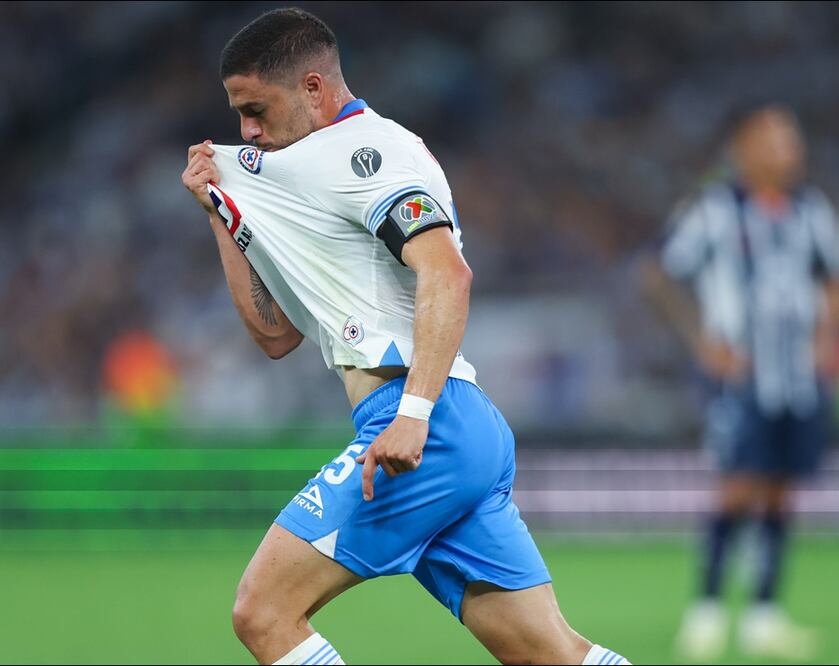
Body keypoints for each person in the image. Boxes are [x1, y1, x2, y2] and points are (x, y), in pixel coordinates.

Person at [179, 8, 632, 666]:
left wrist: (414, 415)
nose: (246, 130)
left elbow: (446, 272)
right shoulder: (310, 176)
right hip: (449, 425)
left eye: (256, 108)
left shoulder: (371, 153)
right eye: (236, 114)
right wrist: (221, 210)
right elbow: (274, 335)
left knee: (263, 611)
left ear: (311, 87)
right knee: (553, 655)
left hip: (423, 423)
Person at [644, 104, 839, 661]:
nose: (788, 151)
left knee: (782, 490)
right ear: (743, 148)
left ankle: (765, 615)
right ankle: (707, 614)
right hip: (742, 379)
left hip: (798, 379)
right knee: (737, 485)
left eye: (792, 140)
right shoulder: (715, 210)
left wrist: (827, 335)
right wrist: (702, 341)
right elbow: (660, 272)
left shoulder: (811, 210)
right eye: (775, 140)